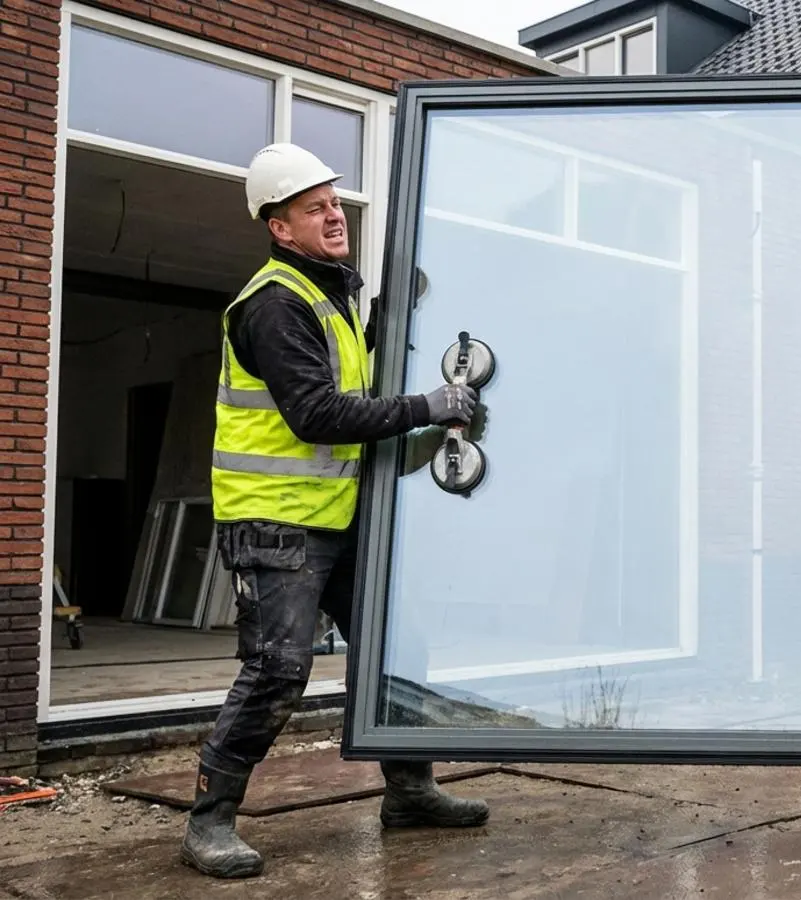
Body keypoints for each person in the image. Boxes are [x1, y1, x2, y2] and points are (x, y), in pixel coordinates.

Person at [182, 143, 488, 879]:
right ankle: (208, 821)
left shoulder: (330, 296)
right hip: (274, 521)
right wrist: (428, 405)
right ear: (279, 227)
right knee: (278, 669)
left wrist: (396, 325)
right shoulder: (274, 304)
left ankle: (408, 790)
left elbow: (351, 392)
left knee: (395, 647)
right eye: (313, 208)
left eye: (335, 203)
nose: (334, 215)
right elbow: (317, 413)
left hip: (336, 514)